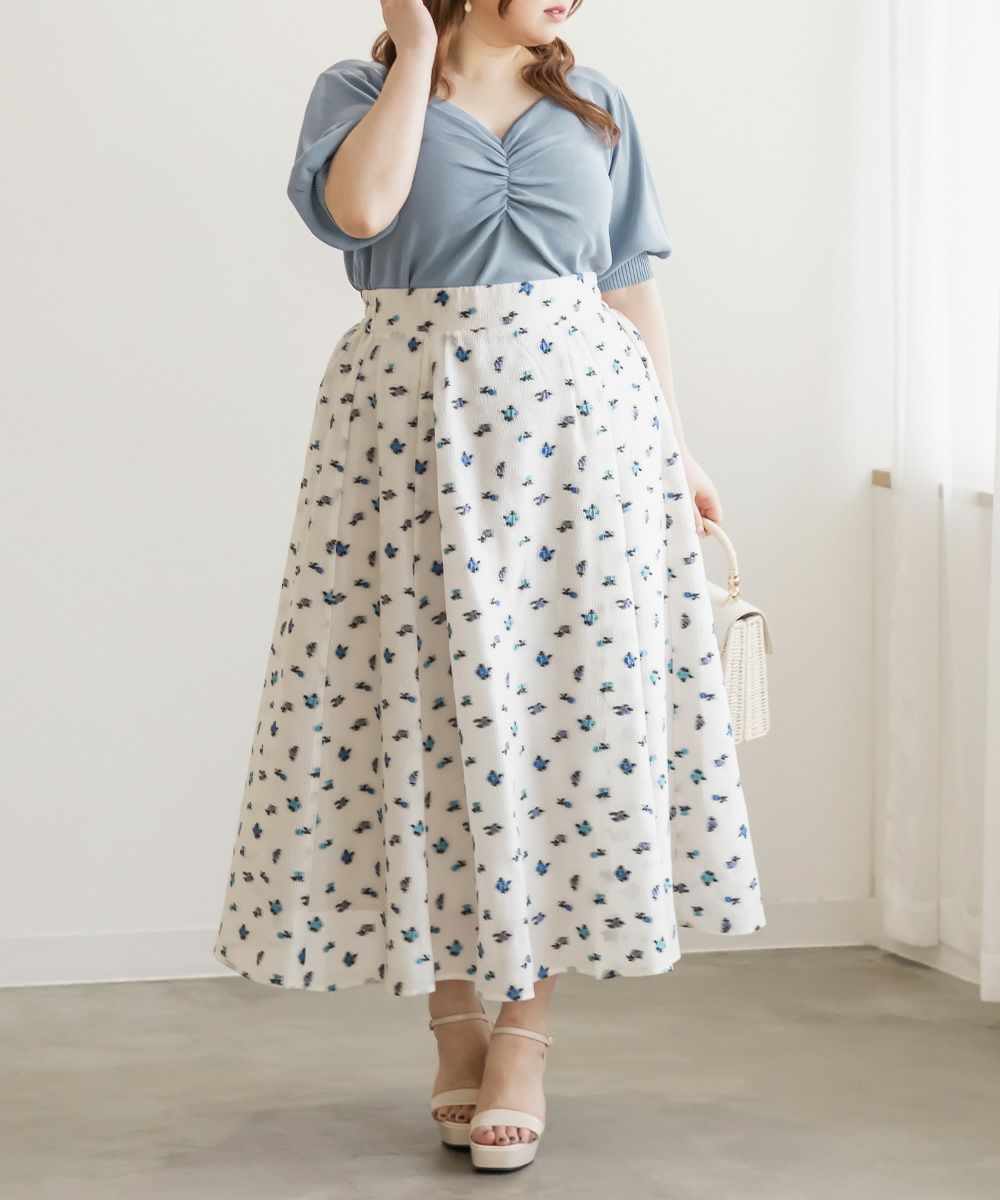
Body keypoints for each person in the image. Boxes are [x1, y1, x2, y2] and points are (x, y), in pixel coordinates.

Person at [212, 0, 766, 1172]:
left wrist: (678, 447)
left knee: (558, 724)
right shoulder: (357, 92)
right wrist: (417, 47)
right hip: (412, 439)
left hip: (584, 445)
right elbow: (361, 214)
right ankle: (452, 1020)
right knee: (427, 718)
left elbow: (628, 285)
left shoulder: (596, 103)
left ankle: (523, 1034)